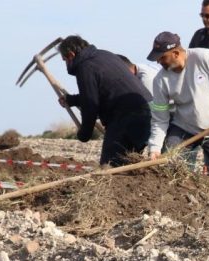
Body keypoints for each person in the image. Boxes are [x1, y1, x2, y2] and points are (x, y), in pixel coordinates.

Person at [146, 32, 209, 186]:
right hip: (184, 128)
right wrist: (155, 148)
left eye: (162, 57)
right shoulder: (160, 81)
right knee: (169, 171)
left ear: (176, 53)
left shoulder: (204, 57)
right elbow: (160, 119)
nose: (158, 62)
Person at [57, 36, 152, 166]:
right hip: (145, 113)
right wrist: (71, 100)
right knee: (128, 165)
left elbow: (90, 104)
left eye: (65, 60)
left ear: (71, 55)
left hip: (126, 118)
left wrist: (84, 133)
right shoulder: (106, 55)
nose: (66, 64)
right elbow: (102, 92)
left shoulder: (85, 67)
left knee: (110, 167)